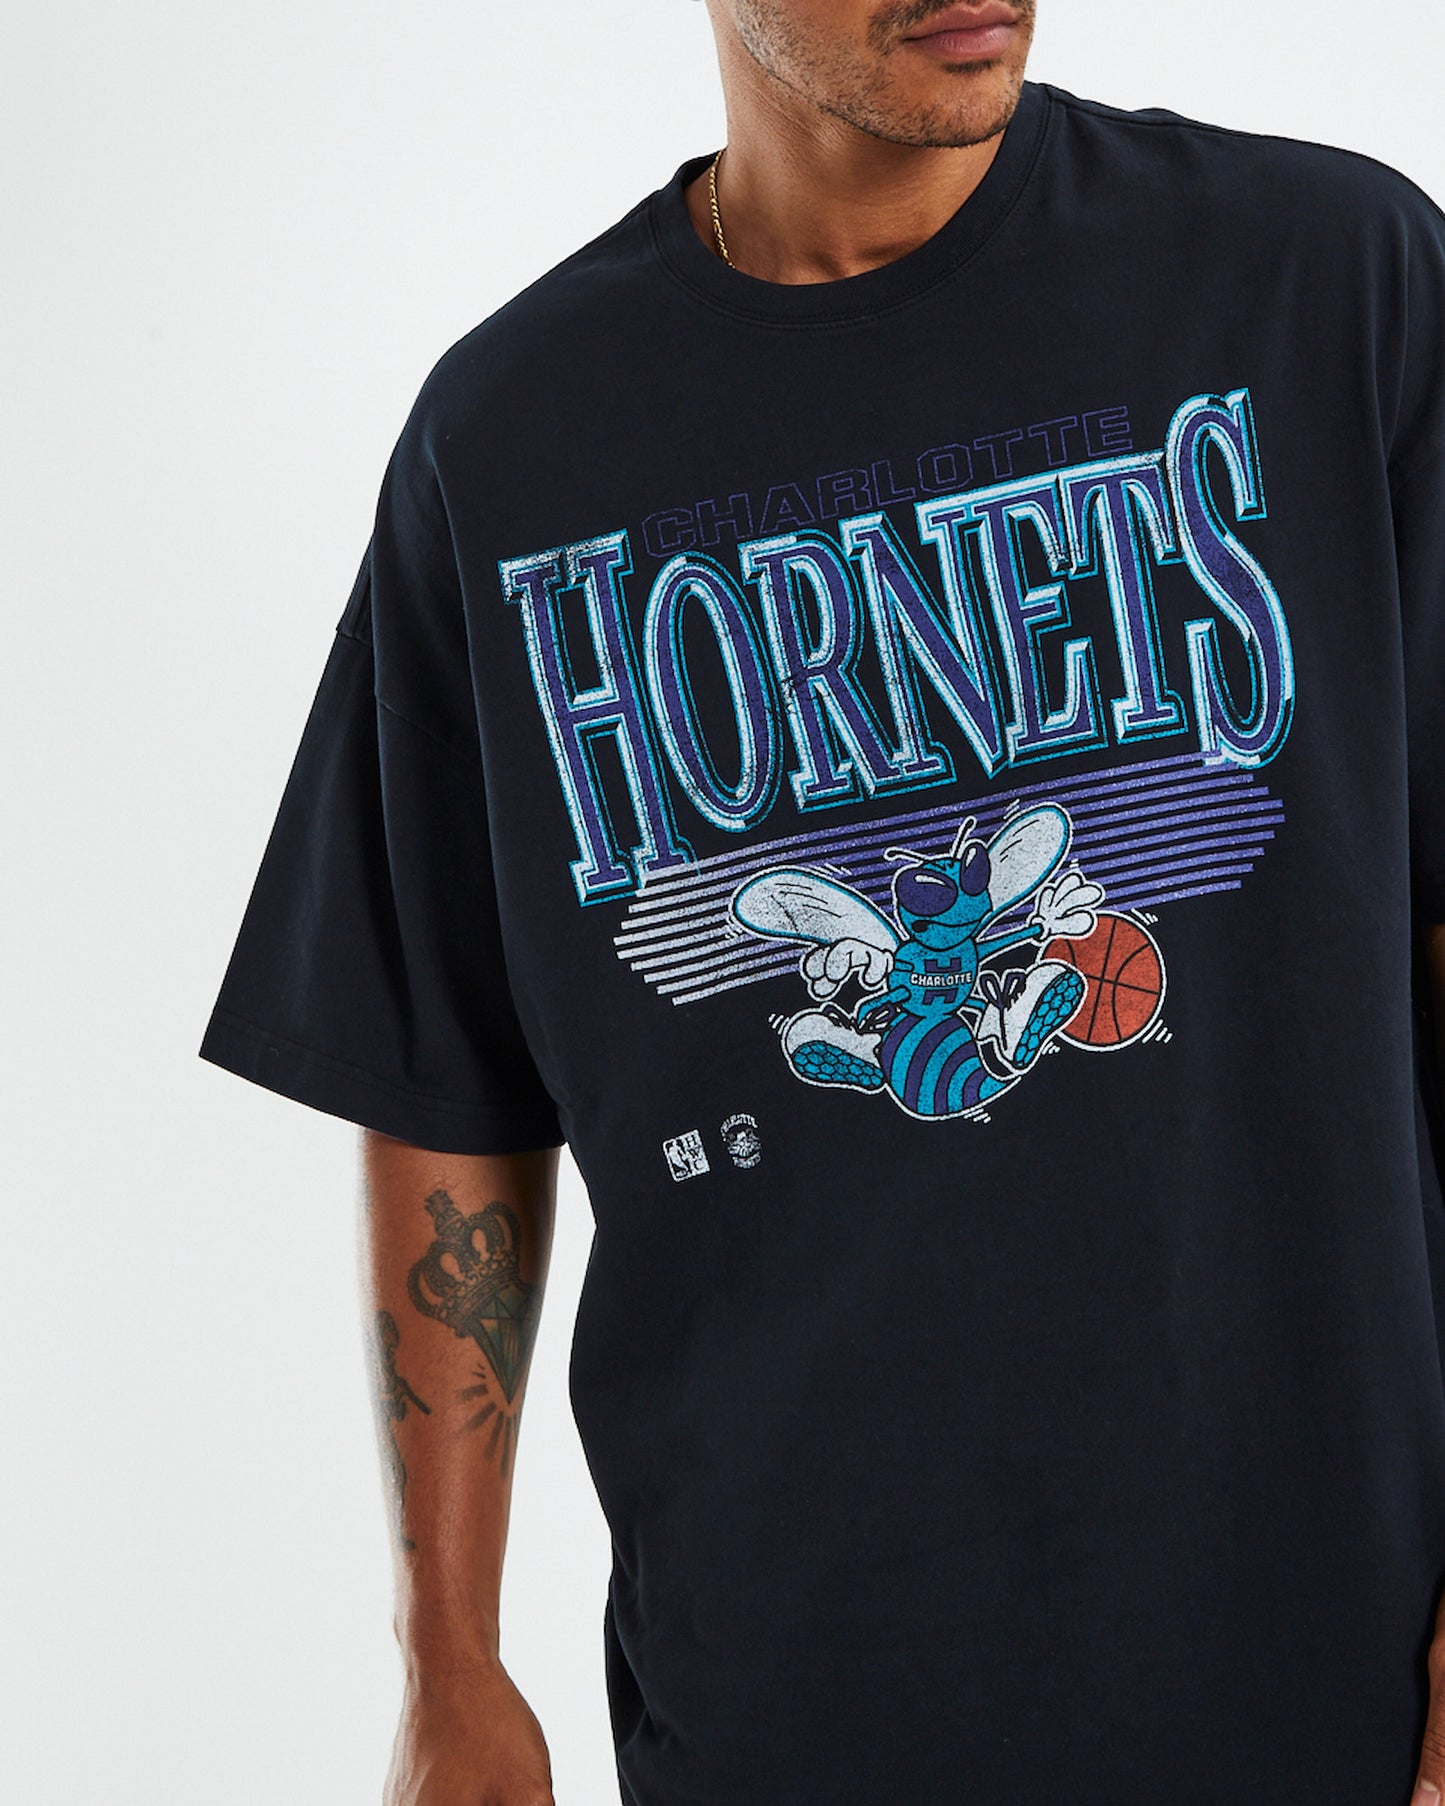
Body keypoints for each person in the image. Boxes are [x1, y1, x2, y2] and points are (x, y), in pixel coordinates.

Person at [201, 1, 1445, 1800]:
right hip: (788, 1696)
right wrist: (448, 1657)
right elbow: (437, 1071)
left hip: (1320, 1667)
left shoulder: (1329, 282)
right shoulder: (511, 437)